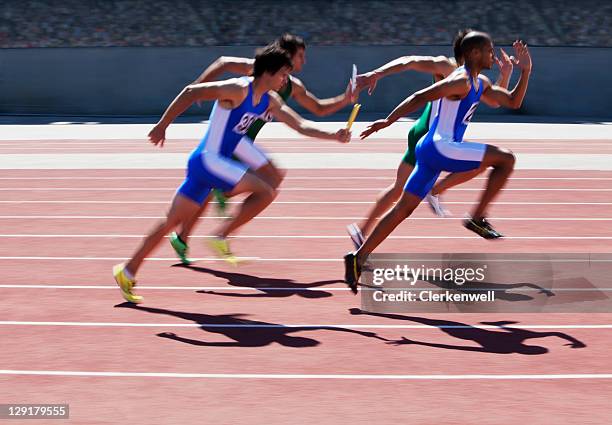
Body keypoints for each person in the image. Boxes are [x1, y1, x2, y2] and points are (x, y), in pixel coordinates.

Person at [113, 46, 351, 303]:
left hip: (209, 166)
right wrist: (162, 125)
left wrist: (334, 136)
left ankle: (127, 271)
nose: (285, 81)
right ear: (268, 72)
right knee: (265, 190)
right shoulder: (238, 89)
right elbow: (191, 92)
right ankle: (222, 218)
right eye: (283, 74)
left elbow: (300, 125)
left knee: (170, 223)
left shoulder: (270, 101)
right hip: (208, 161)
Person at [344, 33, 532, 292]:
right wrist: (387, 121)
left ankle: (358, 258)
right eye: (489, 50)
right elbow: (421, 96)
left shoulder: (482, 82)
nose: (493, 55)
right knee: (505, 159)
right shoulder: (460, 80)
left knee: (403, 209)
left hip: (431, 151)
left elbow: (513, 101)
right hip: (442, 148)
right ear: (475, 53)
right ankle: (477, 216)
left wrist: (526, 71)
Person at [170, 34, 356, 264]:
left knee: (273, 177)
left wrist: (345, 99)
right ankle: (191, 233)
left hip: (244, 142)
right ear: (285, 57)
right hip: (230, 138)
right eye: (301, 56)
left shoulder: (292, 86)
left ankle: (211, 228)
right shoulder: (257, 72)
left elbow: (316, 109)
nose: (304, 62)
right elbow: (224, 63)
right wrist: (201, 85)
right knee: (217, 185)